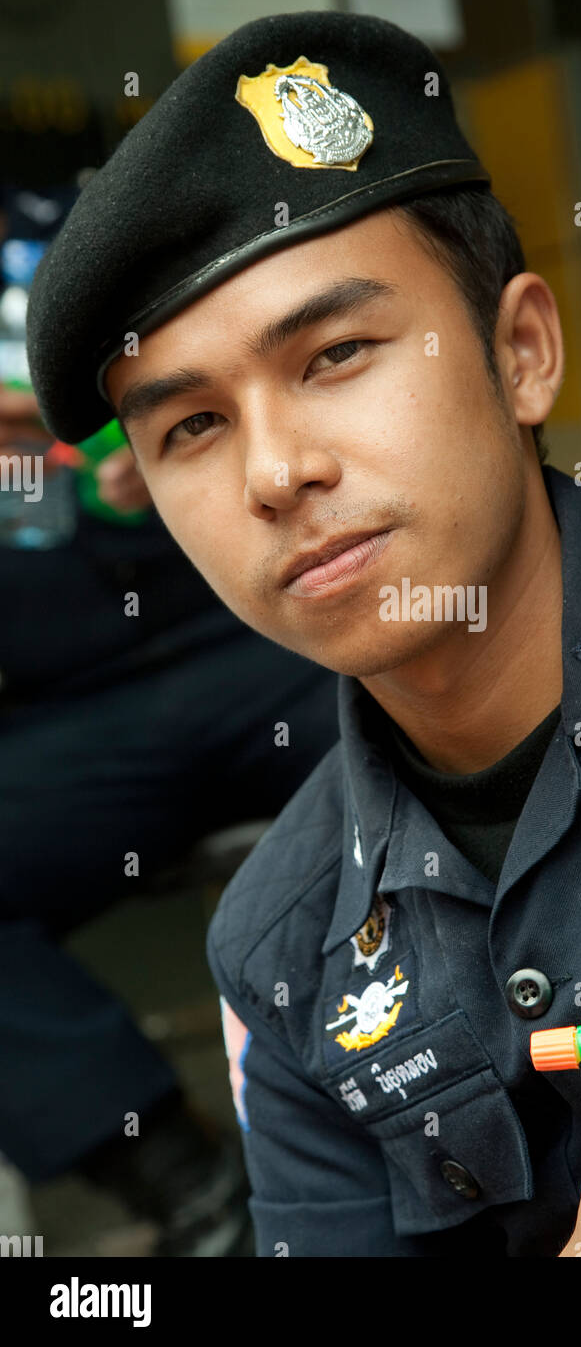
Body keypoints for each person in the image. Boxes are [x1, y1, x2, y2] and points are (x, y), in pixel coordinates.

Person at [25, 10, 581, 1259]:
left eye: (337, 352)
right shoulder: (280, 948)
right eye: (190, 426)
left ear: (520, 351)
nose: (275, 471)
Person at [0, 190, 340, 1256]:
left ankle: (477, 1113)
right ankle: (190, 1189)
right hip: (68, 715)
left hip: (258, 638)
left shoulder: (82, 222)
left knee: (454, 722)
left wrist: (168, 435)